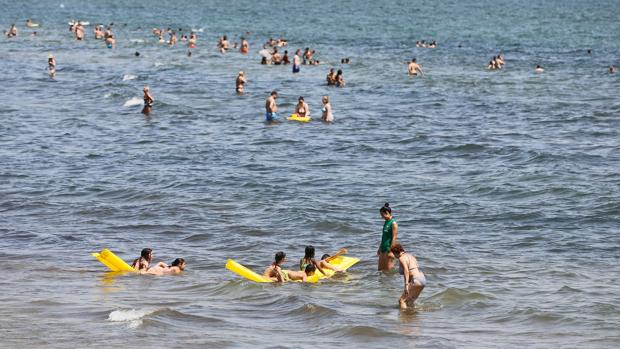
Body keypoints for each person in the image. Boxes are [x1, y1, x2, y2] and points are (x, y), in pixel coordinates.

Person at [391, 244, 426, 310]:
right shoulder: (411, 256)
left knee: (401, 301)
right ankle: (412, 316)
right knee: (410, 301)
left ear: (395, 252)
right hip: (422, 279)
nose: (394, 256)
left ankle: (404, 318)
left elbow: (406, 271)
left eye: (394, 254)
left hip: (416, 280)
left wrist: (406, 285)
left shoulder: (402, 258)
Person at [378, 202, 398, 271]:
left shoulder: (393, 223)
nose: (381, 217)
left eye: (382, 215)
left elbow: (394, 237)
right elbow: (383, 236)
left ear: (387, 212)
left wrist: (391, 250)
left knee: (388, 271)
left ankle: (390, 282)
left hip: (388, 249)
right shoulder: (386, 222)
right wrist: (380, 248)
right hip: (383, 248)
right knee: (380, 270)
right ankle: (380, 282)